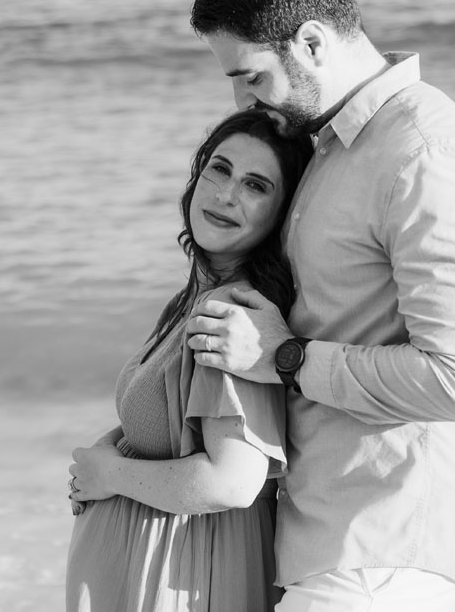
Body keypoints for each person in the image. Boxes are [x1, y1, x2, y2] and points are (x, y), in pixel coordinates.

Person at [184, 0, 455, 611]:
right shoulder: (339, 147)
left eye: (253, 76)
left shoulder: (426, 156)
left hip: (385, 548)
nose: (244, 103)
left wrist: (284, 357)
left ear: (312, 42)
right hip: (340, 539)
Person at [66, 108, 312, 612]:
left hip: (185, 579)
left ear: (281, 213)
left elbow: (232, 481)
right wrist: (107, 450)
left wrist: (110, 475)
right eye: (219, 169)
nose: (226, 194)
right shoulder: (194, 299)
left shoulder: (232, 317)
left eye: (256, 185)